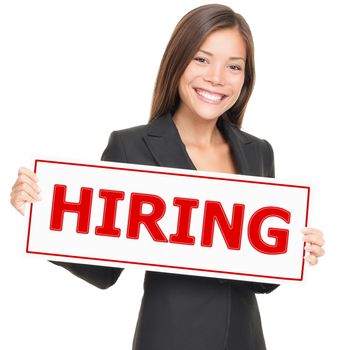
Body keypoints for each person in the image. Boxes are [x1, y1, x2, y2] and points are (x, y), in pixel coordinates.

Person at [10, 4, 325, 350]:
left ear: (245, 77)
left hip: (244, 341)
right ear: (178, 62)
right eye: (202, 59)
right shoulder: (131, 146)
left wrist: (293, 250)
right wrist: (40, 221)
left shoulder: (258, 152)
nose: (217, 77)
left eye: (234, 66)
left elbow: (259, 281)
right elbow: (104, 272)